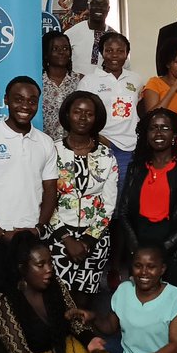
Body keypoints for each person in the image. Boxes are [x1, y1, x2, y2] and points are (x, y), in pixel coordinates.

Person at [0, 76, 58, 326]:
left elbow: (50, 190)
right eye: (18, 99)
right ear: (6, 100)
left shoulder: (46, 142)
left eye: (31, 100)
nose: (25, 106)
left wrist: (39, 228)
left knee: (25, 310)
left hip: (30, 240)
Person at [48, 91, 118, 306]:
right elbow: (44, 198)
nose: (82, 118)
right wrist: (66, 239)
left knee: (84, 303)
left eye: (89, 113)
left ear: (96, 119)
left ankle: (80, 339)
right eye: (77, 112)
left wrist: (87, 240)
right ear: (67, 115)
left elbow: (108, 205)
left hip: (94, 241)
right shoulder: (51, 150)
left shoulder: (107, 155)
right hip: (57, 237)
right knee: (56, 300)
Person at [114, 108, 177, 289]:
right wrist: (136, 248)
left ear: (174, 134)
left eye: (165, 128)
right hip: (139, 244)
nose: (158, 133)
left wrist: (162, 250)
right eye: (153, 128)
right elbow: (123, 211)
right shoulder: (135, 168)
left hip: (172, 249)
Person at [78, 31, 145, 191]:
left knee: (127, 196)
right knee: (104, 195)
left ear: (127, 54)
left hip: (131, 148)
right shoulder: (89, 81)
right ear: (102, 52)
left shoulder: (135, 79)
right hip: (103, 145)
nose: (114, 55)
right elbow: (81, 117)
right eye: (109, 50)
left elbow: (140, 111)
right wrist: (99, 138)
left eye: (120, 51)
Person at [41, 30, 84, 140]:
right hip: (43, 146)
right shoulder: (37, 82)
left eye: (65, 48)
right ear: (46, 54)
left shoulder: (81, 80)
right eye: (55, 49)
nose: (61, 52)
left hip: (73, 147)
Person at [142, 38, 177, 123]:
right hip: (165, 133)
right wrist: (175, 87)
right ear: (167, 63)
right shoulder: (155, 83)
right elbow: (151, 117)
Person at [65, 0, 115, 74]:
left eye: (103, 4)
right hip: (77, 86)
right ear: (88, 6)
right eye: (95, 3)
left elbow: (125, 67)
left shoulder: (114, 37)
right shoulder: (72, 33)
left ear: (108, 9)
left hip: (105, 85)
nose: (99, 7)